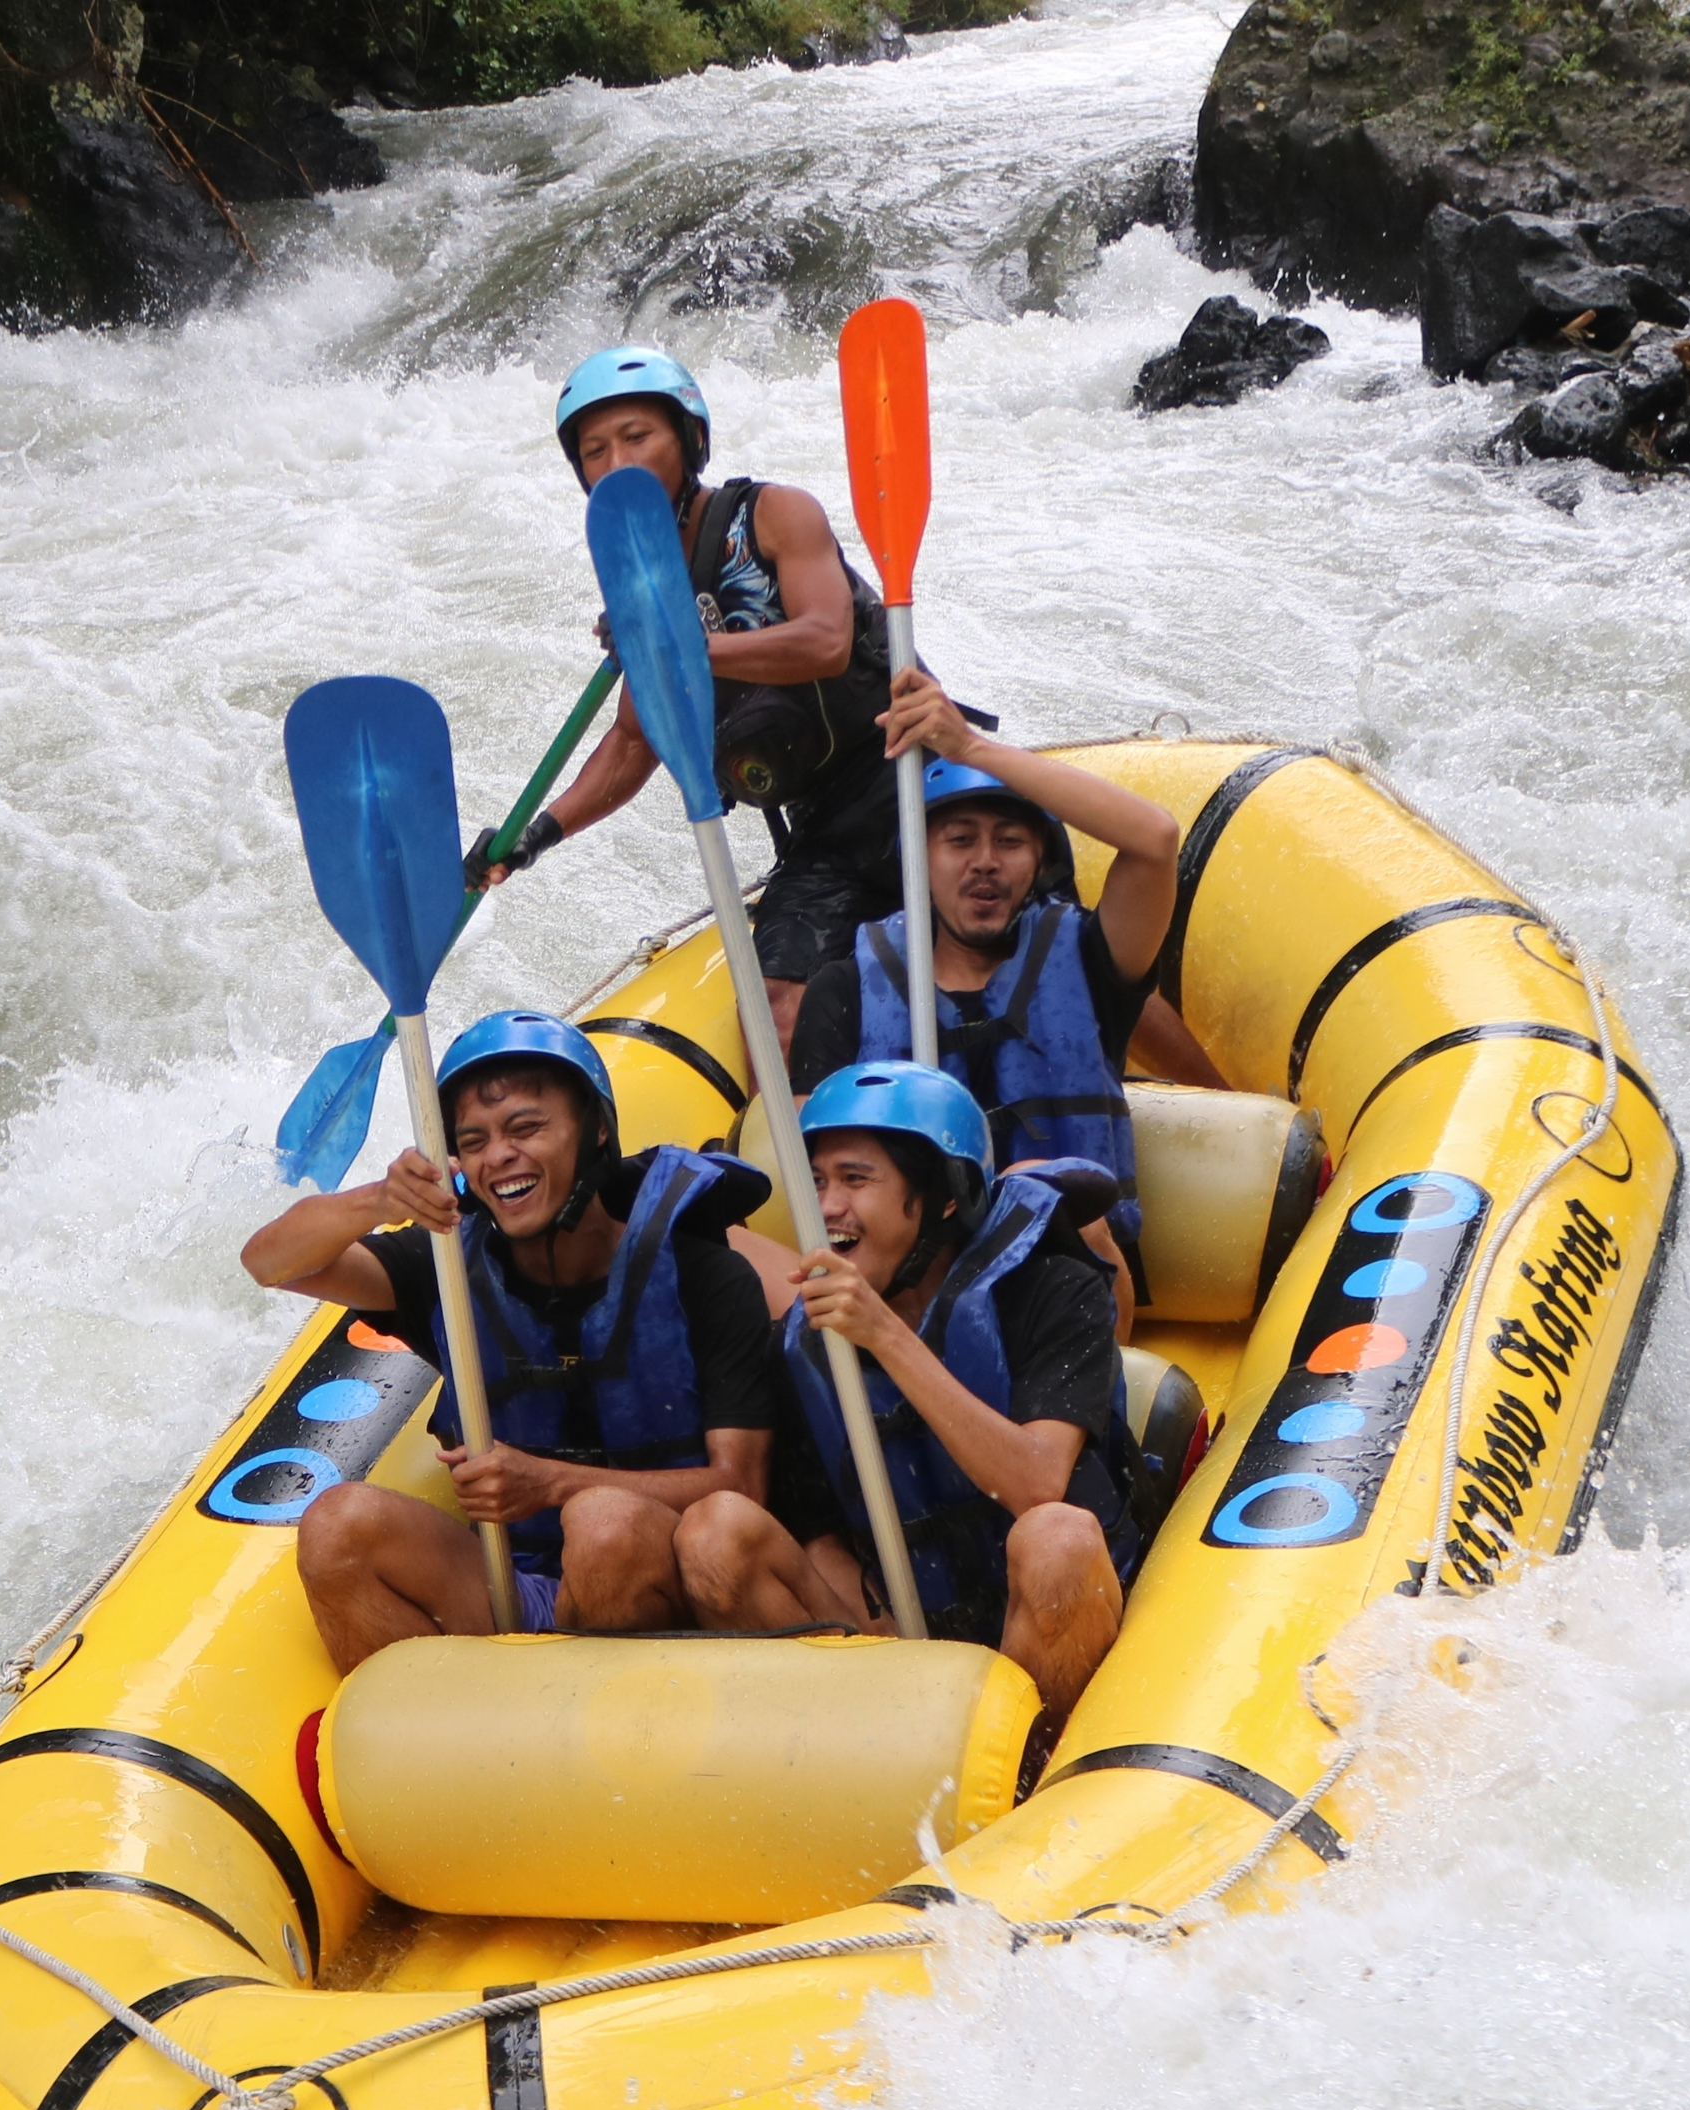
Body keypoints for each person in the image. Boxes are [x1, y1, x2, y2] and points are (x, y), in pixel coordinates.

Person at [238, 1011, 783, 1669]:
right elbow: (269, 1263)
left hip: (662, 1581)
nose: (499, 1155)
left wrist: (551, 1483)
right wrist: (381, 1200)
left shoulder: (705, 1275)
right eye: (475, 1140)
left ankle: (594, 1740)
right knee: (336, 1528)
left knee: (604, 1525)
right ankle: (450, 1750)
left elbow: (740, 1488)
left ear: (597, 1129)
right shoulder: (446, 1266)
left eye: (526, 1128)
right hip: (511, 1583)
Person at [477, 344, 918, 1046]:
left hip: (909, 776)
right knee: (774, 1003)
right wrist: (533, 837)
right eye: (594, 450)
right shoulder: (643, 589)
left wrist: (681, 649)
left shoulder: (775, 513)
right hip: (822, 833)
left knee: (1016, 946)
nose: (616, 461)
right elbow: (634, 738)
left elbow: (825, 639)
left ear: (688, 440)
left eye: (637, 437)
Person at [676, 1063, 1145, 1716]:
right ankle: (861, 1749)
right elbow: (819, 1534)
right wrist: (876, 1635)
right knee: (713, 1533)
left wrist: (887, 1339)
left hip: (1044, 1611)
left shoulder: (1053, 1290)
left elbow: (1036, 1484)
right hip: (904, 1627)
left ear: (944, 1197)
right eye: (816, 1182)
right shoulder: (806, 1343)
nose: (827, 1205)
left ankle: (1026, 1764)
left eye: (855, 1180)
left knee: (1056, 1539)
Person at [784, 668, 1184, 1332]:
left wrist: (969, 747)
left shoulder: (1090, 957)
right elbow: (817, 1173)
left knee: (1044, 1194)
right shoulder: (846, 988)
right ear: (921, 857)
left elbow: (1156, 839)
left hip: (1070, 1281)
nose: (985, 862)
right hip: (913, 1283)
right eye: (959, 839)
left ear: (1038, 862)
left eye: (1010, 841)